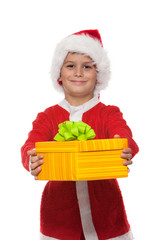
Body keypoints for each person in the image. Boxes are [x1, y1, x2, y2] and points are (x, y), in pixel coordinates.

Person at [21, 29, 139, 240]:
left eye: (87, 66)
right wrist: (32, 157)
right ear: (59, 73)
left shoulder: (109, 113)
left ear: (99, 74)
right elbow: (31, 143)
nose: (78, 73)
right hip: (59, 220)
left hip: (107, 218)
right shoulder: (48, 116)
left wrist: (122, 145)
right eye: (70, 66)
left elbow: (123, 133)